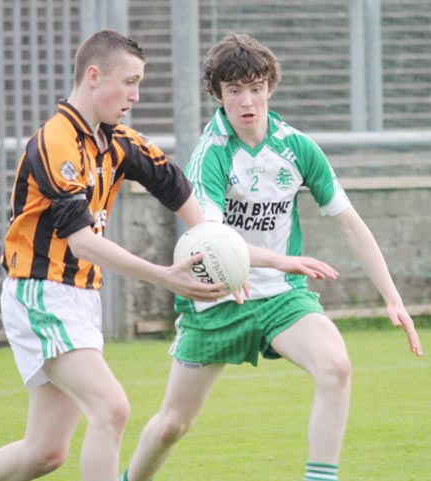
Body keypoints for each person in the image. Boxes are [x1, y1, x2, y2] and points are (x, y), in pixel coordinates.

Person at [120, 32, 423, 481]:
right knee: (172, 425)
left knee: (336, 365)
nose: (247, 101)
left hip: (281, 297)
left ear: (270, 89)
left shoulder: (296, 147)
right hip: (217, 297)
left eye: (256, 88)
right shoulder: (212, 154)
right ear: (218, 95)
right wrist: (282, 261)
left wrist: (393, 297)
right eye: (235, 90)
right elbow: (213, 237)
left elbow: (351, 223)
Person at [0, 29, 240, 481]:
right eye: (130, 82)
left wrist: (219, 252)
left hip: (80, 297)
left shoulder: (117, 139)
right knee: (112, 407)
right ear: (94, 76)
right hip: (41, 294)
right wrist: (166, 276)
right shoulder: (55, 141)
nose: (136, 96)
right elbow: (81, 241)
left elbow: (172, 185)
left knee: (45, 452)